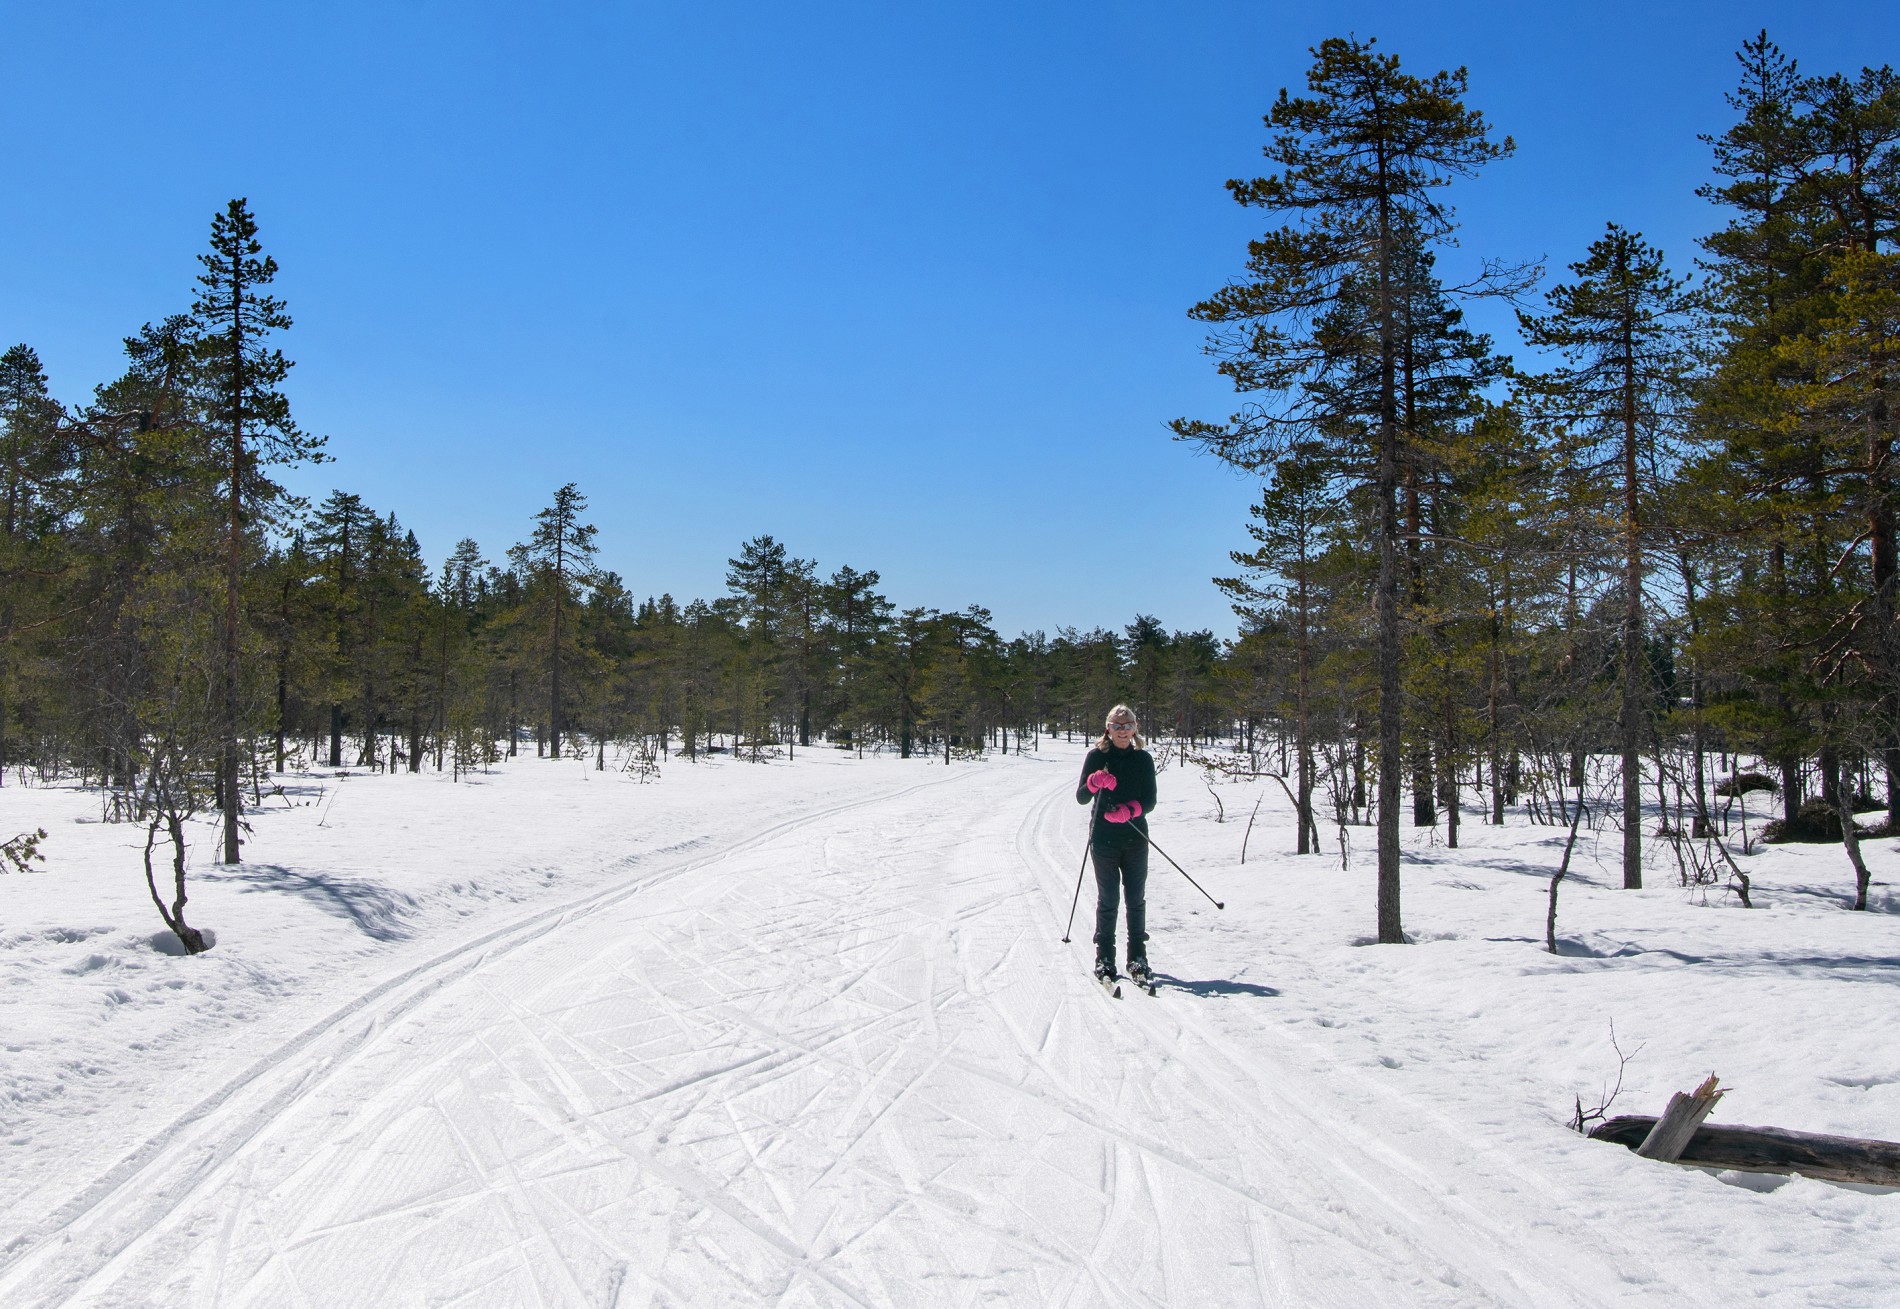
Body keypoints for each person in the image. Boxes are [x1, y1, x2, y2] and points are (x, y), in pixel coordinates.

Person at [1075, 704, 1158, 985]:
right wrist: (1093, 782)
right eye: (1117, 726)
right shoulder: (1096, 757)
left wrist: (1131, 810)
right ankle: (1104, 958)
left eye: (1127, 726)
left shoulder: (1143, 759)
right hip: (1103, 838)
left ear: (1135, 729)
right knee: (1108, 899)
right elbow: (1081, 797)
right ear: (1107, 729)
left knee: (1135, 899)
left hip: (1135, 838)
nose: (1122, 731)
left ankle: (1138, 957)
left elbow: (1150, 801)